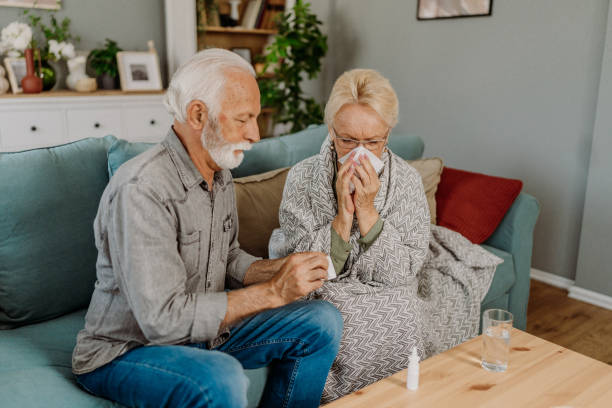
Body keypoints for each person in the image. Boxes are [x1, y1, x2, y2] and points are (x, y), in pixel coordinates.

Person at [71, 48, 343, 408]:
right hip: (127, 350)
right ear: (198, 114)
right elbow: (162, 321)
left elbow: (227, 257)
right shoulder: (141, 189)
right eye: (244, 119)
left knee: (321, 321)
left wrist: (278, 268)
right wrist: (274, 291)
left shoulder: (220, 174)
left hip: (205, 335)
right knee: (219, 377)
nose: (255, 134)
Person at [278, 69, 501, 402]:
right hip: (329, 287)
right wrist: (343, 216)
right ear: (331, 131)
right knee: (338, 321)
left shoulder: (407, 181)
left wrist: (367, 211)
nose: (360, 152)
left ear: (388, 135)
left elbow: (402, 270)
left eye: (372, 142)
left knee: (403, 313)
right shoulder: (302, 179)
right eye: (348, 140)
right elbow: (307, 267)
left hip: (388, 285)